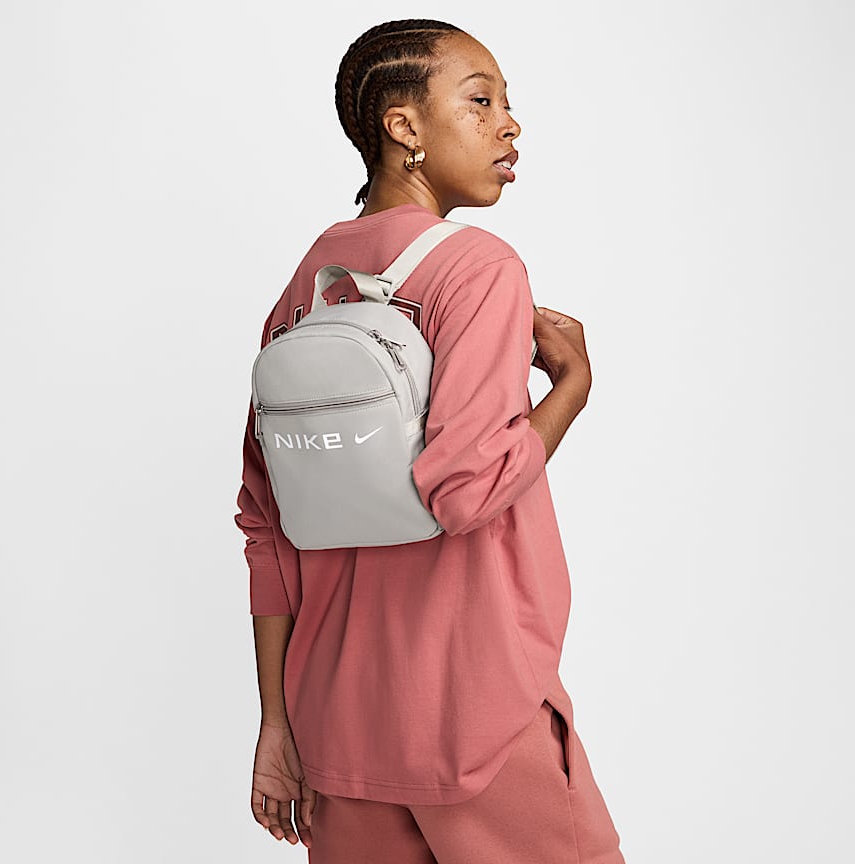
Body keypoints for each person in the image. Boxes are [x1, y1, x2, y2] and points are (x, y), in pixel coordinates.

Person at [234, 18, 626, 864]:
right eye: (481, 100)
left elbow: (265, 530)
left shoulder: (303, 292)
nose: (509, 124)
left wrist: (277, 725)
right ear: (403, 126)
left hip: (336, 732)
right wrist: (572, 389)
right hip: (475, 719)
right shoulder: (478, 268)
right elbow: (466, 490)